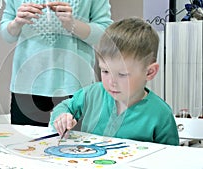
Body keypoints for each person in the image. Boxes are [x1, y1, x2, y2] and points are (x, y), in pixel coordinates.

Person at [49, 17, 180, 145]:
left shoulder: (161, 114)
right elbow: (64, 107)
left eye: (122, 74)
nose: (112, 82)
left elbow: (170, 158)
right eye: (105, 71)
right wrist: (62, 116)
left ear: (149, 72)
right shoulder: (92, 94)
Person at [0, 0, 113, 126]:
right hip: (27, 83)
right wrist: (16, 23)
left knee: (77, 144)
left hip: (75, 84)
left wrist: (73, 24)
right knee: (25, 144)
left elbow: (105, 32)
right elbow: (6, 35)